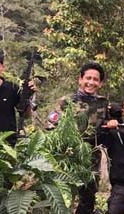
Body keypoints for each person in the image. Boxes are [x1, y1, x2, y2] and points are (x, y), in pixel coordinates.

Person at [47, 62, 109, 214]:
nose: (91, 82)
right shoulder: (66, 101)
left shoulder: (103, 102)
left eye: (96, 79)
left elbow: (107, 125)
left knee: (88, 197)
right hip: (66, 157)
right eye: (88, 78)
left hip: (91, 158)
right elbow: (51, 126)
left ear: (100, 83)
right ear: (80, 79)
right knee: (62, 195)